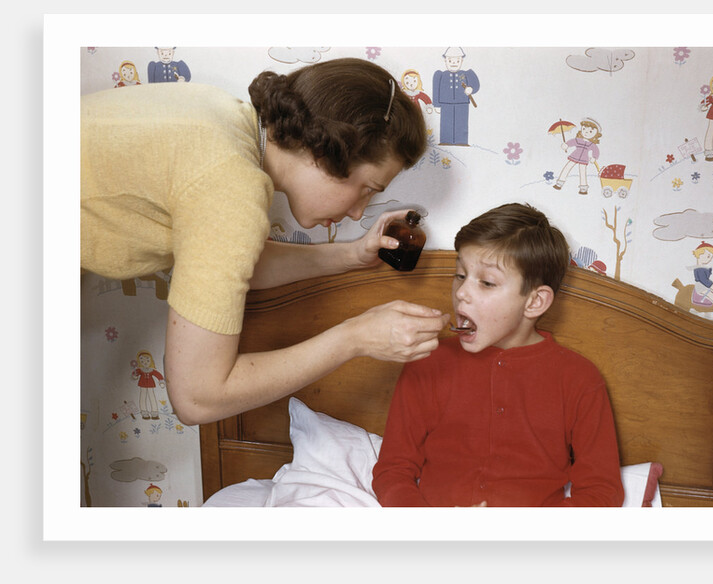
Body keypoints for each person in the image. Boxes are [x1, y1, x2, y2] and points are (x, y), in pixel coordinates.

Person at [81, 57, 449, 426]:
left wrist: (352, 256)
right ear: (329, 151)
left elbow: (232, 265)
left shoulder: (225, 120)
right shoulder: (231, 185)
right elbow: (198, 397)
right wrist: (355, 338)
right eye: (367, 189)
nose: (358, 213)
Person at [372, 203, 624, 507]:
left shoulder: (579, 380)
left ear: (534, 302)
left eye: (487, 282)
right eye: (459, 275)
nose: (462, 293)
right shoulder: (428, 360)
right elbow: (392, 471)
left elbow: (600, 492)